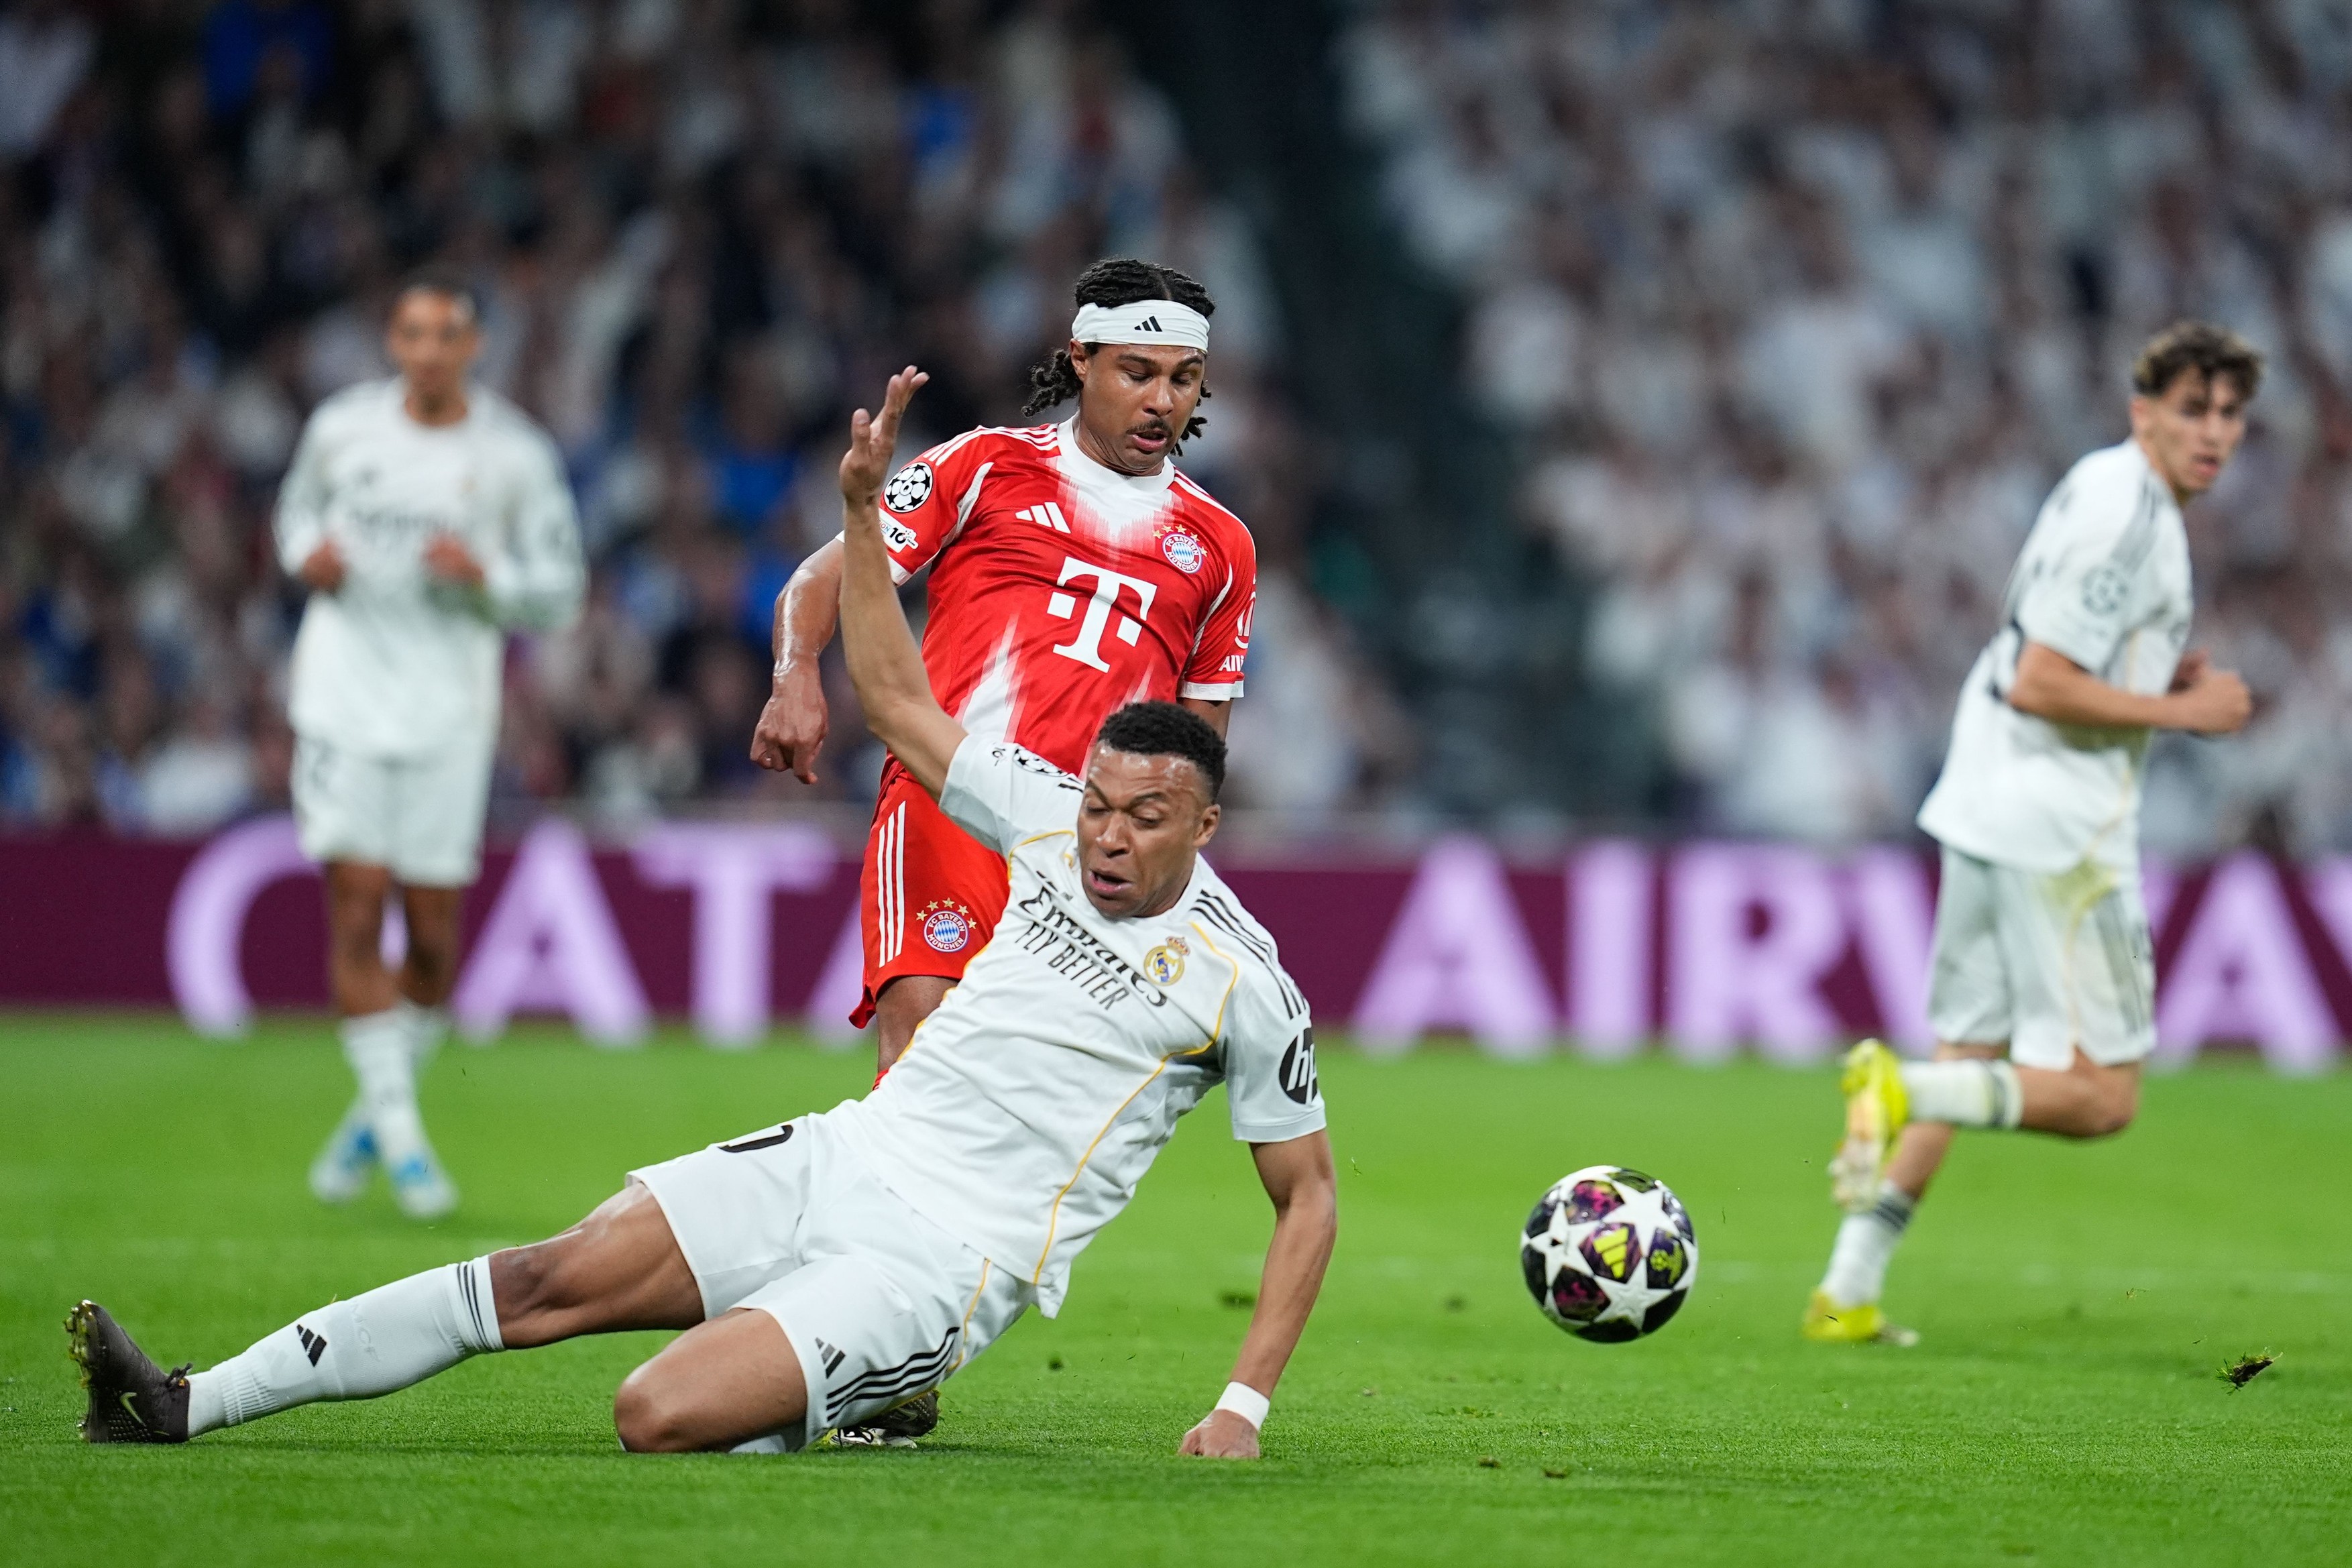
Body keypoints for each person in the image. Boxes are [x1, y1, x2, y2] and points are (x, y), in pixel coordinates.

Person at [69, 364, 1335, 1460]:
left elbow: (1308, 1197)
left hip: (942, 1262)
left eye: (1141, 817)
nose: (1105, 834)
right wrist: (859, 514)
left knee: (654, 1409)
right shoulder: (1046, 818)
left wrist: (1241, 1404)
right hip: (843, 1156)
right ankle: (184, 1401)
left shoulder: (1243, 984)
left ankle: (860, 1364)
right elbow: (899, 699)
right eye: (1099, 804)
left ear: (1204, 825)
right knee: (545, 1275)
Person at [1804, 322, 2260, 1345]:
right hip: (2058, 830)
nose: (2214, 433)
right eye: (2192, 409)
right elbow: (2041, 680)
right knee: (2100, 1097)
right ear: (2141, 410)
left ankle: (1846, 1286)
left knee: (1971, 1052)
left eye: (2229, 414)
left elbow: (2044, 653)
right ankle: (1895, 1085)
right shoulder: (2131, 520)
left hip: (1982, 795)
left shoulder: (2098, 481)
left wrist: (2149, 677)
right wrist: (2180, 711)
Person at [750, 258, 1256, 1079]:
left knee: (1041, 1094)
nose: (1163, 401)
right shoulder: (983, 466)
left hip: (1095, 842)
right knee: (922, 1059)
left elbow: (1200, 742)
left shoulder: (1222, 545)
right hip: (950, 795)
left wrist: (1167, 862)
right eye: (1138, 373)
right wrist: (795, 673)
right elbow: (822, 576)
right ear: (1082, 359)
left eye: (1184, 378)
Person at [276, 272, 585, 1220]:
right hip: (341, 699)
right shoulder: (341, 431)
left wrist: (488, 576)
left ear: (473, 345)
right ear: (392, 341)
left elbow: (562, 587)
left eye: (446, 334)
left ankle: (370, 1118)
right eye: (412, 333)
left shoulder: (514, 454)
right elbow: (293, 517)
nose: (428, 351)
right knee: (357, 907)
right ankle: (408, 1147)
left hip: (450, 712)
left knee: (434, 934)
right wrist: (303, 556)